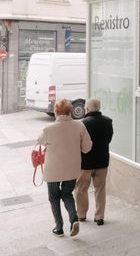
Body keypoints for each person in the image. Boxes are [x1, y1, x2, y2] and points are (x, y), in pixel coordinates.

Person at [38, 99, 92, 237]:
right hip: (71, 169)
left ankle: (59, 227)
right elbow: (87, 148)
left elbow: (40, 141)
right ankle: (74, 219)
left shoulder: (48, 129)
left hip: (53, 170)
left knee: (53, 197)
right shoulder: (79, 126)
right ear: (70, 111)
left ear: (56, 111)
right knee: (67, 194)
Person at [75, 98, 113, 226]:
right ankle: (99, 217)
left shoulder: (83, 123)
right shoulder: (108, 121)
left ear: (87, 109)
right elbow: (108, 139)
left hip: (86, 163)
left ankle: (81, 214)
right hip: (102, 161)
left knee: (81, 189)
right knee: (100, 189)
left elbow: (79, 143)